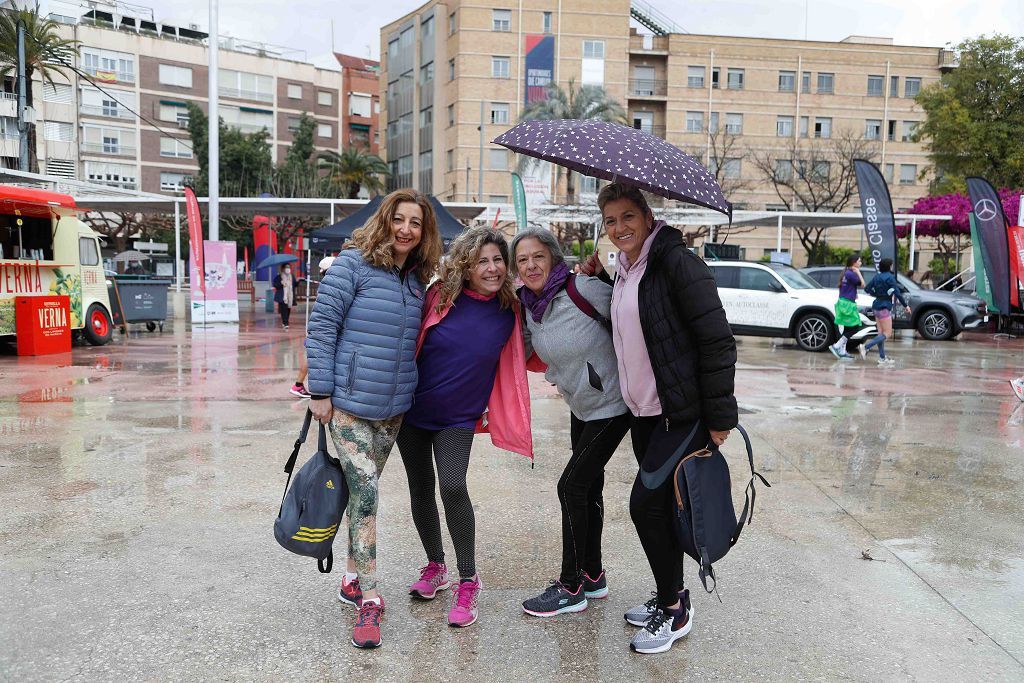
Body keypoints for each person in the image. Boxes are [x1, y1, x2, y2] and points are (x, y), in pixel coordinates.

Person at [584, 183, 737, 655]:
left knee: (644, 505)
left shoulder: (676, 263)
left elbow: (717, 340)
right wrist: (603, 283)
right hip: (645, 412)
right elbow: (640, 323)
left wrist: (720, 417)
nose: (619, 228)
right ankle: (672, 594)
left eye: (628, 216)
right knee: (665, 509)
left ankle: (675, 609)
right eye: (610, 221)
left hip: (681, 412)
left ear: (648, 217)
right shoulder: (627, 269)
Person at [305, 189, 443, 649]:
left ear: (424, 233)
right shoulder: (352, 265)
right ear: (385, 221)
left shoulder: (415, 280)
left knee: (360, 497)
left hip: (393, 410)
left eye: (415, 223)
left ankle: (349, 575)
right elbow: (322, 326)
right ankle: (369, 597)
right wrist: (320, 390)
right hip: (347, 404)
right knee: (366, 493)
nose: (406, 229)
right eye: (399, 219)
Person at [395, 226, 531, 628]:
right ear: (466, 266)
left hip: (458, 417)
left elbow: (546, 319)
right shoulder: (440, 296)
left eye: (497, 260)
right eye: (482, 261)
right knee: (420, 488)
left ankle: (468, 579)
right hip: (413, 411)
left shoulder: (511, 309)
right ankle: (435, 566)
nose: (491, 268)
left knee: (452, 485)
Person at [511, 227, 631, 618]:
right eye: (523, 259)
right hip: (581, 406)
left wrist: (603, 277)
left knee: (571, 487)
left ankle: (570, 586)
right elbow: (520, 351)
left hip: (615, 403)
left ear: (554, 258)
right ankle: (593, 575)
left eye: (538, 257)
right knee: (588, 488)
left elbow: (629, 313)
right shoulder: (530, 306)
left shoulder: (582, 288)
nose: (530, 265)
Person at [291, 257, 335, 399]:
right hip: (322, 329)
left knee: (311, 357)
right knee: (312, 358)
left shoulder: (326, 284)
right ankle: (298, 385)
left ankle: (298, 385)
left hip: (317, 327)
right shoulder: (331, 285)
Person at [860, 258, 911, 366]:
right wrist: (906, 306)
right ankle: (866, 347)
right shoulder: (890, 277)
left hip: (876, 306)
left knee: (881, 334)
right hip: (884, 307)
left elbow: (867, 289)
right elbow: (897, 293)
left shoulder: (877, 277)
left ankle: (882, 358)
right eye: (891, 265)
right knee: (887, 333)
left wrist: (878, 294)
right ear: (889, 266)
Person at [828, 255, 866, 360]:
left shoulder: (846, 273)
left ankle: (842, 351)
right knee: (856, 327)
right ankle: (836, 346)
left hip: (844, 303)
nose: (861, 263)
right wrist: (858, 272)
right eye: (859, 261)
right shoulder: (851, 274)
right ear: (854, 262)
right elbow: (863, 284)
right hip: (848, 304)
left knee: (848, 327)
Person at [273, 263, 297, 329]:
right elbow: (275, 285)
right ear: (283, 269)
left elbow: (295, 284)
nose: (288, 269)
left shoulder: (291, 276)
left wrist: (299, 281)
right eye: (286, 267)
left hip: (290, 297)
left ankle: (285, 322)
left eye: (289, 267)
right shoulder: (279, 277)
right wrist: (281, 283)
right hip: (282, 297)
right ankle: (285, 323)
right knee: (283, 310)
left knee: (288, 309)